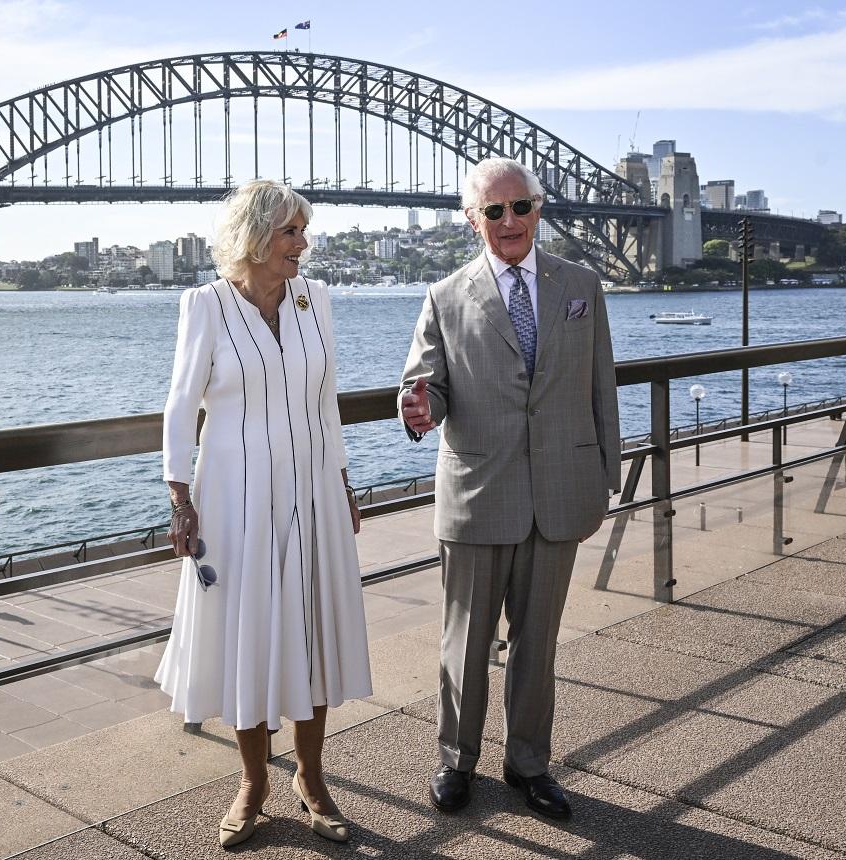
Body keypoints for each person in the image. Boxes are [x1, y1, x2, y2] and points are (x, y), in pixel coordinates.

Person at [399, 157, 621, 820]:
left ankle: (529, 764)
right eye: (493, 212)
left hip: (559, 490)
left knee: (539, 643)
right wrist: (419, 407)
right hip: (478, 493)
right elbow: (426, 383)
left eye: (520, 206)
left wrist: (605, 475)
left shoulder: (580, 284)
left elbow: (600, 386)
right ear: (473, 220)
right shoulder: (444, 296)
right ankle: (456, 761)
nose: (509, 221)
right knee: (463, 642)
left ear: (538, 208)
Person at [156, 180, 372, 848]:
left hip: (311, 489)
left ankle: (312, 778)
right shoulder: (207, 306)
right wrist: (179, 498)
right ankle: (254, 782)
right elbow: (179, 405)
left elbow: (325, 399)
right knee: (248, 634)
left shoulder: (315, 299)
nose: (301, 245)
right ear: (253, 237)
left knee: (311, 629)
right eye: (290, 233)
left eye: (303, 232)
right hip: (233, 496)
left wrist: (342, 480)